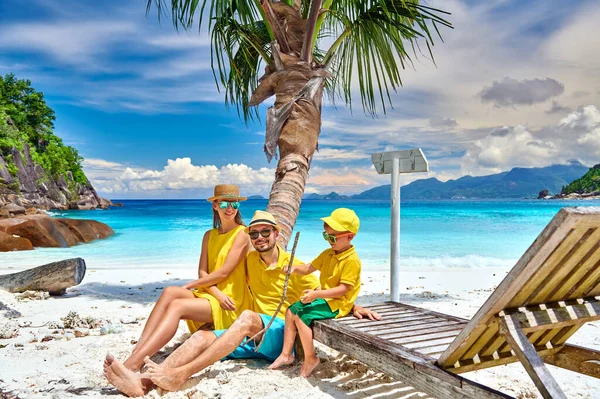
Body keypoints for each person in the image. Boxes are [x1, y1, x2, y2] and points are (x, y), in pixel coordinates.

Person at [103, 210, 380, 396]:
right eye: (254, 234)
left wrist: (354, 307)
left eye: (265, 233)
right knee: (202, 337)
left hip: (280, 335)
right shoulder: (249, 262)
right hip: (252, 336)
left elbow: (327, 292)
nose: (259, 238)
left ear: (276, 233)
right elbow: (220, 275)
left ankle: (179, 375)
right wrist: (199, 289)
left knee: (247, 317)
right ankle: (142, 384)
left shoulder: (292, 266)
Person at [105, 184, 252, 377]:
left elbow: (224, 273)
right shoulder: (209, 235)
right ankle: (139, 351)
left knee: (177, 306)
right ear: (215, 206)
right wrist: (214, 291)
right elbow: (202, 271)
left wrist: (192, 286)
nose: (230, 208)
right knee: (170, 292)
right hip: (213, 293)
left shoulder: (243, 233)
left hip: (231, 300)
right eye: (224, 203)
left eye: (234, 204)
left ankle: (132, 364)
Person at [270, 208, 361, 377]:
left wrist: (316, 294)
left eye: (333, 237)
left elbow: (343, 289)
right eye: (326, 236)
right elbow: (307, 269)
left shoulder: (351, 261)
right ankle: (286, 354)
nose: (329, 240)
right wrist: (290, 269)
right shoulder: (328, 254)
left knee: (301, 316)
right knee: (291, 310)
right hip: (327, 300)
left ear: (350, 237)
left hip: (339, 303)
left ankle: (310, 358)